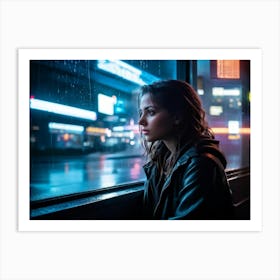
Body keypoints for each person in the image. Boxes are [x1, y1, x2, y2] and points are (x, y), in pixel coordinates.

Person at [137, 79, 234, 220]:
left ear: (177, 116)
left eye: (151, 112)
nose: (141, 121)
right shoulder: (159, 162)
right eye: (141, 112)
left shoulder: (201, 164)